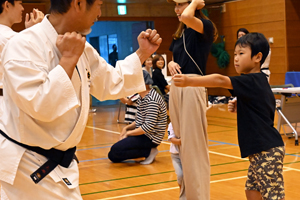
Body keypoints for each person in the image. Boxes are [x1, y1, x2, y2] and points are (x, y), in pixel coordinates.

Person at [0, 0, 162, 199]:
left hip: (62, 166)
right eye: (99, 5)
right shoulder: (23, 45)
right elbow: (40, 105)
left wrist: (142, 53)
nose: (100, 13)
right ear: (78, 3)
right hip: (28, 165)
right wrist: (67, 59)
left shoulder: (80, 46)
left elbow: (109, 82)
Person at [173, 32, 285, 200]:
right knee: (252, 190)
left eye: (241, 53)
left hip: (266, 151)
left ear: (258, 57)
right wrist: (243, 106)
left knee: (273, 196)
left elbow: (219, 80)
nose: (236, 59)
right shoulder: (256, 81)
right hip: (260, 151)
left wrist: (190, 81)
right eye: (234, 54)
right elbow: (264, 107)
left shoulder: (252, 80)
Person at [166, 0, 218, 199]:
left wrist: (195, 2)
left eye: (181, 4)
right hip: (177, 87)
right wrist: (171, 63)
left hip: (193, 85)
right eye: (176, 5)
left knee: (193, 148)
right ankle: (186, 195)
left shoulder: (205, 26)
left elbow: (188, 17)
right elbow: (177, 57)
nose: (177, 9)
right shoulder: (180, 34)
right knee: (179, 147)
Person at [108, 70, 167, 165]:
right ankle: (144, 151)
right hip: (143, 134)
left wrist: (129, 133)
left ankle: (148, 151)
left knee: (115, 152)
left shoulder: (152, 99)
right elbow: (139, 120)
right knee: (113, 154)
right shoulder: (141, 97)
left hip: (150, 138)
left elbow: (148, 127)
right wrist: (126, 128)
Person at [0, 0, 44, 112]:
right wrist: (37, 30)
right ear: (7, 5)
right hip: (5, 104)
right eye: (20, 3)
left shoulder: (12, 38)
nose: (23, 8)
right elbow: (40, 62)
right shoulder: (10, 39)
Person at [167, 122, 184, 198]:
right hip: (176, 156)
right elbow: (172, 139)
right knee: (180, 175)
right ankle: (181, 193)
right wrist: (182, 141)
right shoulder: (172, 124)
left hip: (187, 156)